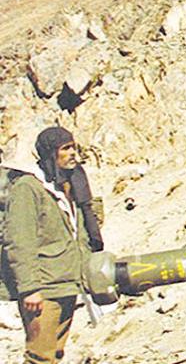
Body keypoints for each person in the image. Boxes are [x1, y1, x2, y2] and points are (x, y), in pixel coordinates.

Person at [2, 127, 98, 364]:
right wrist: (30, 288)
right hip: (43, 288)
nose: (73, 153)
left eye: (74, 147)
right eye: (66, 148)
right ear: (50, 153)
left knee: (55, 353)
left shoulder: (66, 186)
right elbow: (19, 241)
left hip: (66, 283)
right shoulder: (28, 188)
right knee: (40, 357)